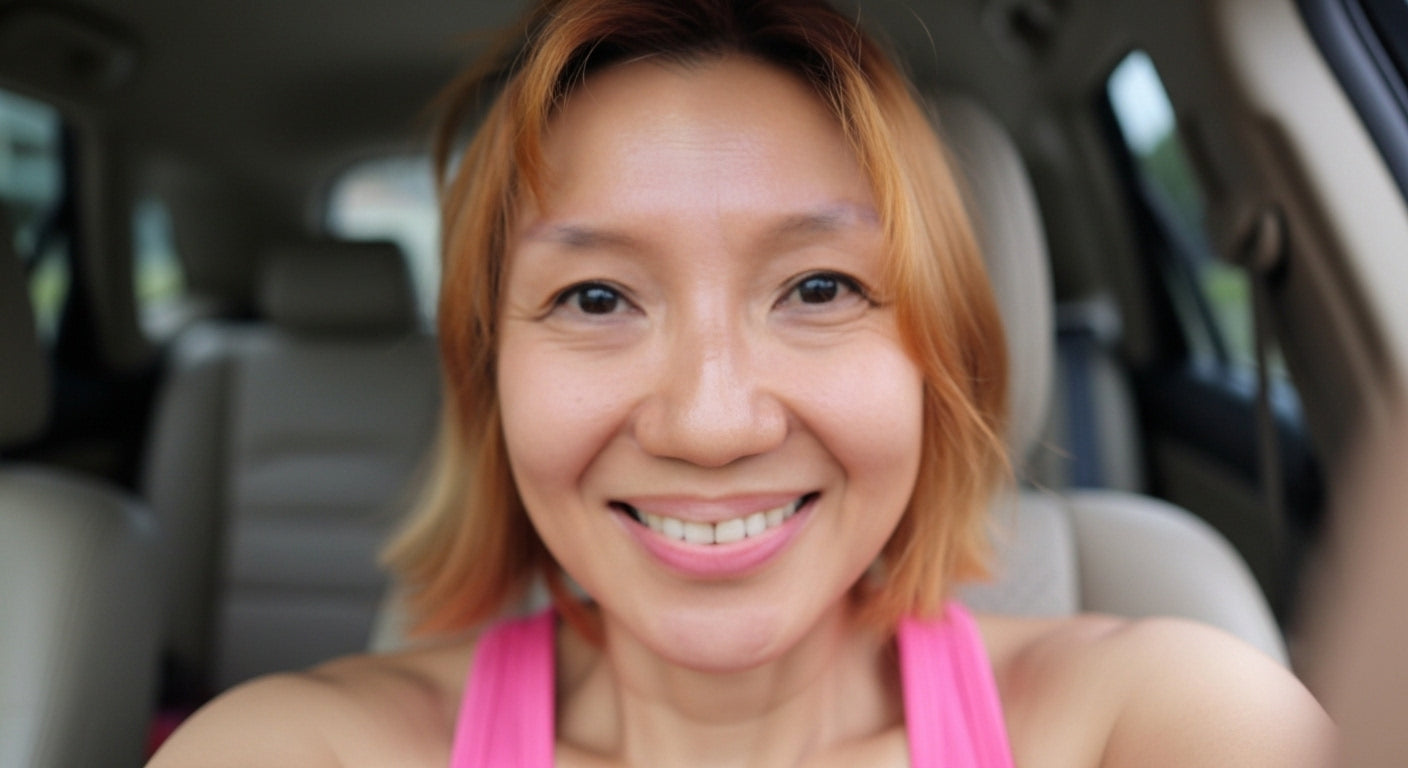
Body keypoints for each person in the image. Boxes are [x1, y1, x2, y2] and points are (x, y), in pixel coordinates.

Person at [148, 0, 1334, 765]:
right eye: (596, 299)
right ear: (489, 380)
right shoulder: (294, 748)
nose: (711, 424)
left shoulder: (1160, 720)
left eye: (818, 289)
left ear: (942, 355)